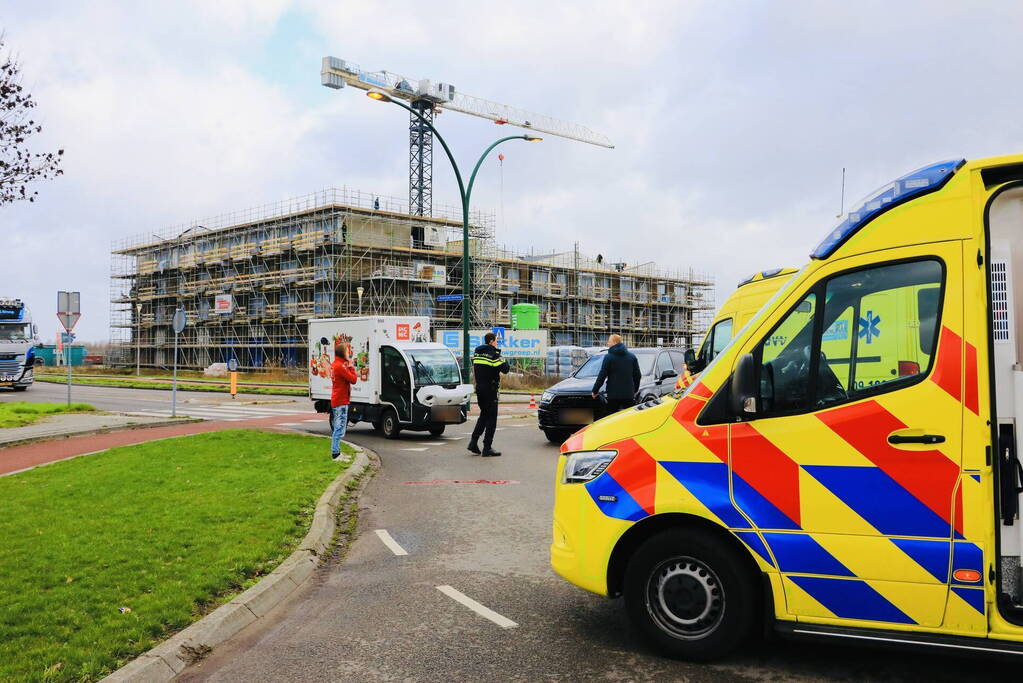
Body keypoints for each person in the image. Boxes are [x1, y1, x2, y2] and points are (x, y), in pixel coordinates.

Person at [468, 332, 509, 457]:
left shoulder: (477, 352)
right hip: (491, 390)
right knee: (491, 419)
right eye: (496, 341)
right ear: (491, 341)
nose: (497, 343)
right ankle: (487, 447)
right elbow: (505, 369)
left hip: (480, 388)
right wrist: (500, 355)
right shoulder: (494, 354)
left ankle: (473, 442)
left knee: (484, 415)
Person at [591, 334, 641, 413]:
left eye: (609, 341)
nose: (607, 343)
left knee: (612, 419)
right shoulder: (632, 357)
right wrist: (635, 390)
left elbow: (602, 375)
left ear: (614, 342)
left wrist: (595, 390)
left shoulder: (609, 357)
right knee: (629, 418)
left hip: (613, 395)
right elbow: (637, 376)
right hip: (628, 395)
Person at [330, 343, 358, 461]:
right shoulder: (340, 366)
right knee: (339, 428)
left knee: (339, 427)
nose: (348, 353)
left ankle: (337, 452)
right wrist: (351, 366)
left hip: (338, 399)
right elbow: (353, 379)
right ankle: (335, 454)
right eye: (347, 351)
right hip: (341, 400)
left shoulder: (335, 364)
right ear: (342, 353)